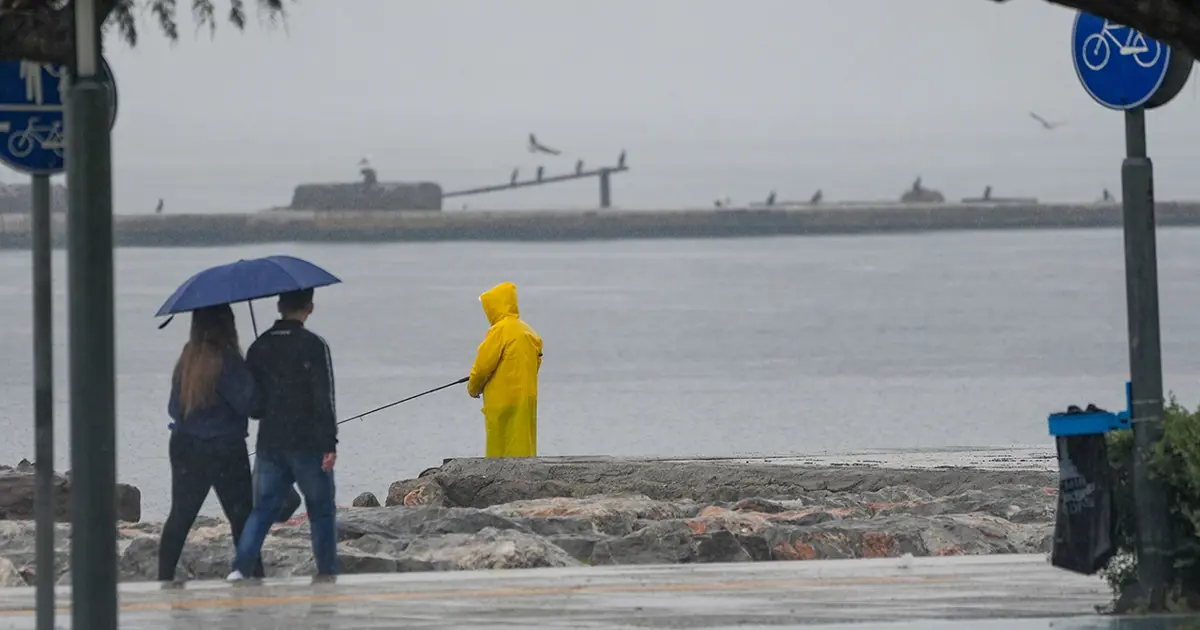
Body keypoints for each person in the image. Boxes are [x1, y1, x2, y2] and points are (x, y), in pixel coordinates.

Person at [227, 288, 338, 581]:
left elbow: (254, 407)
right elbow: (323, 398)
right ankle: (326, 572)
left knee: (261, 511)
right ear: (309, 308)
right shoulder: (314, 345)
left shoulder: (259, 346)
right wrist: (330, 443)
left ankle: (240, 569)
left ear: (279, 306)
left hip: (270, 443)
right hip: (309, 443)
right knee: (321, 511)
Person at [158, 304, 264, 582]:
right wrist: (258, 379)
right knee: (241, 517)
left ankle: (163, 577)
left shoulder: (187, 358)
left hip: (184, 445)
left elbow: (174, 407)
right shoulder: (228, 361)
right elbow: (251, 406)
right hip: (225, 448)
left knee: (180, 515)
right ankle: (253, 575)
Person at [467, 281, 543, 457]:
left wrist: (473, 388)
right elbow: (536, 363)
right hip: (526, 397)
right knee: (522, 441)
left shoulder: (499, 331)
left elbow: (483, 366)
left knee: (499, 445)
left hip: (501, 399)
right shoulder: (528, 331)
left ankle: (498, 473)